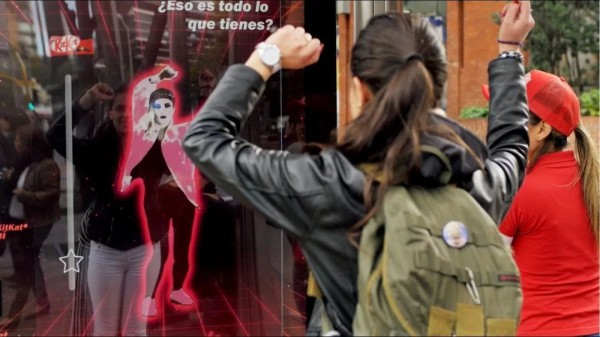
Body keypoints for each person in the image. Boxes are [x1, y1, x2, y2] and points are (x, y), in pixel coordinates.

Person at [183, 3, 534, 335]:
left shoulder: (329, 184)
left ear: (359, 90)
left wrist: (266, 56)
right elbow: (512, 147)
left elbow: (204, 140)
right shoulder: (481, 183)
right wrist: (509, 50)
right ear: (437, 87)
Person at [495, 70, 599, 336]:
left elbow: (486, 264)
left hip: (539, 328)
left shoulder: (520, 190)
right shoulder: (592, 179)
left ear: (542, 129)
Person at [47, 84, 152, 336]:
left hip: (143, 250)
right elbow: (55, 135)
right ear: (110, 113)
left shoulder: (151, 146)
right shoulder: (94, 150)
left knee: (136, 328)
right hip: (106, 250)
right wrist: (88, 99)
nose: (125, 114)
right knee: (105, 328)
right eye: (119, 109)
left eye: (131, 109)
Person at [119, 66, 201, 317]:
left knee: (183, 246)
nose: (163, 110)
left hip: (183, 197)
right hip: (156, 200)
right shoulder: (145, 133)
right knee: (159, 248)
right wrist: (159, 78)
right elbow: (140, 95)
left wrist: (206, 90)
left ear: (173, 108)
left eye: (167, 106)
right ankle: (150, 296)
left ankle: (177, 288)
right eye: (158, 106)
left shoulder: (180, 133)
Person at [0, 123, 60, 329]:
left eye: (18, 140)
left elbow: (51, 194)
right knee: (30, 260)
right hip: (26, 220)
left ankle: (35, 301)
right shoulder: (26, 161)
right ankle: (41, 300)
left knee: (29, 260)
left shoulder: (47, 165)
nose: (15, 143)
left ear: (29, 144)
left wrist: (26, 195)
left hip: (40, 221)